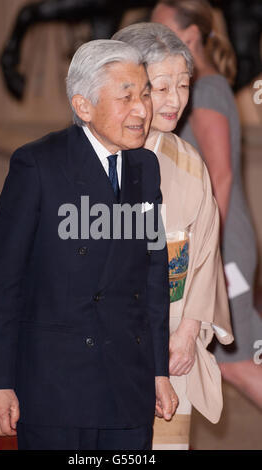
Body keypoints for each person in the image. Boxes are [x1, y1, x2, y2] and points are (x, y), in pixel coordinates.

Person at [0, 39, 178, 450]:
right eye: (126, 97)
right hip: (57, 386)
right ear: (83, 107)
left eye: (144, 95)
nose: (142, 110)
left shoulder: (145, 167)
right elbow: (2, 279)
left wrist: (158, 371)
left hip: (129, 384)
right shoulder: (38, 165)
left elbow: (153, 274)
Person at [113, 22, 233, 450]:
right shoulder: (96, 156)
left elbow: (204, 255)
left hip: (171, 339)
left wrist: (187, 334)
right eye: (160, 87)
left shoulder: (189, 163)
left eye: (182, 86)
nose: (175, 100)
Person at [152, 0, 262, 409]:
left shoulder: (206, 89)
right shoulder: (198, 86)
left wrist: (205, 253)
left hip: (224, 247)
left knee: (236, 360)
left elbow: (222, 176)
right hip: (218, 244)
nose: (154, 37)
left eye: (161, 28)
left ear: (191, 36)